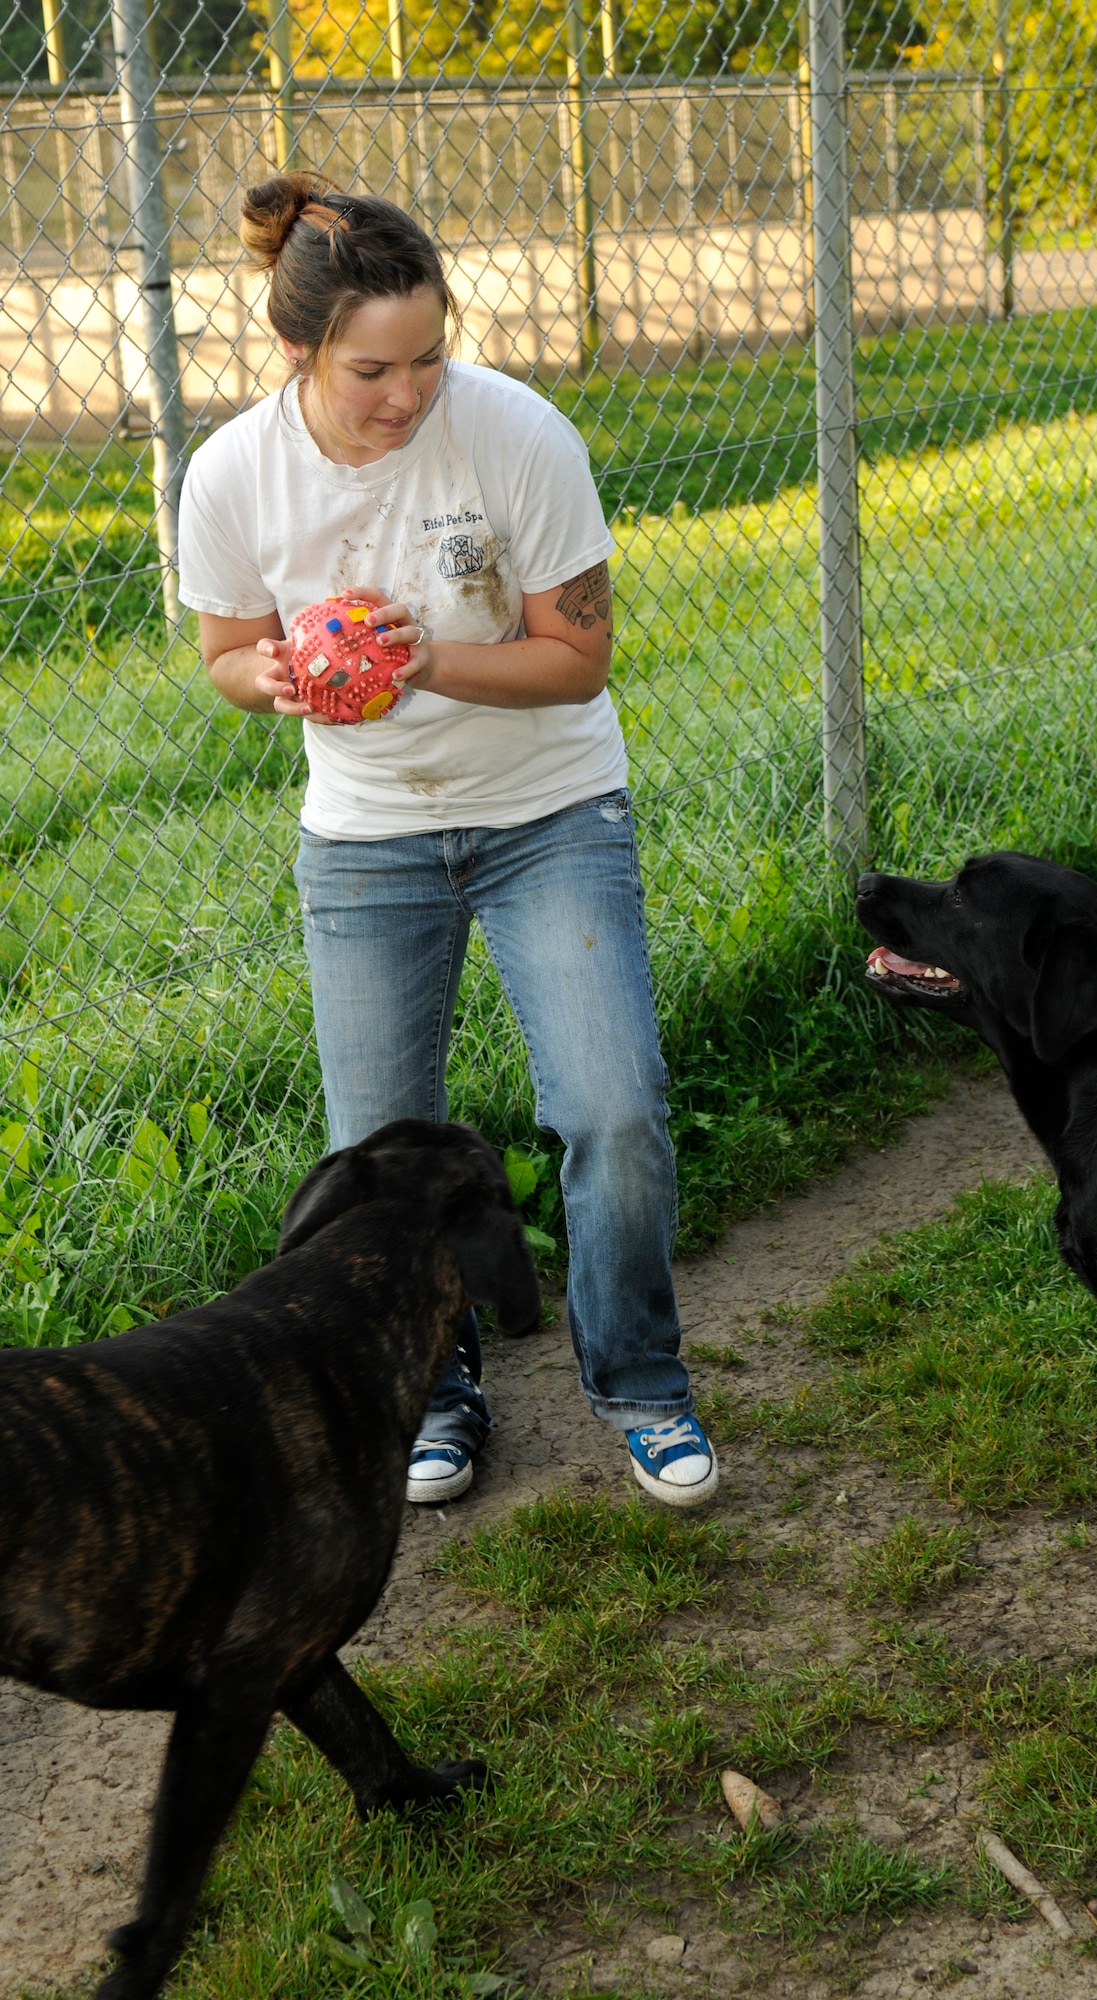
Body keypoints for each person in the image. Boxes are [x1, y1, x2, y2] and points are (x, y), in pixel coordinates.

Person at [177, 173, 718, 1511]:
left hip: (550, 818)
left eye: (429, 357)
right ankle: (437, 1394)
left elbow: (579, 661)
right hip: (368, 842)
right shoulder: (236, 471)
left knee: (615, 1110)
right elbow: (226, 657)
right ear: (297, 348)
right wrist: (279, 682)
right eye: (372, 370)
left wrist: (427, 665)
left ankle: (641, 1379)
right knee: (378, 1152)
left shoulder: (519, 436)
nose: (408, 395)